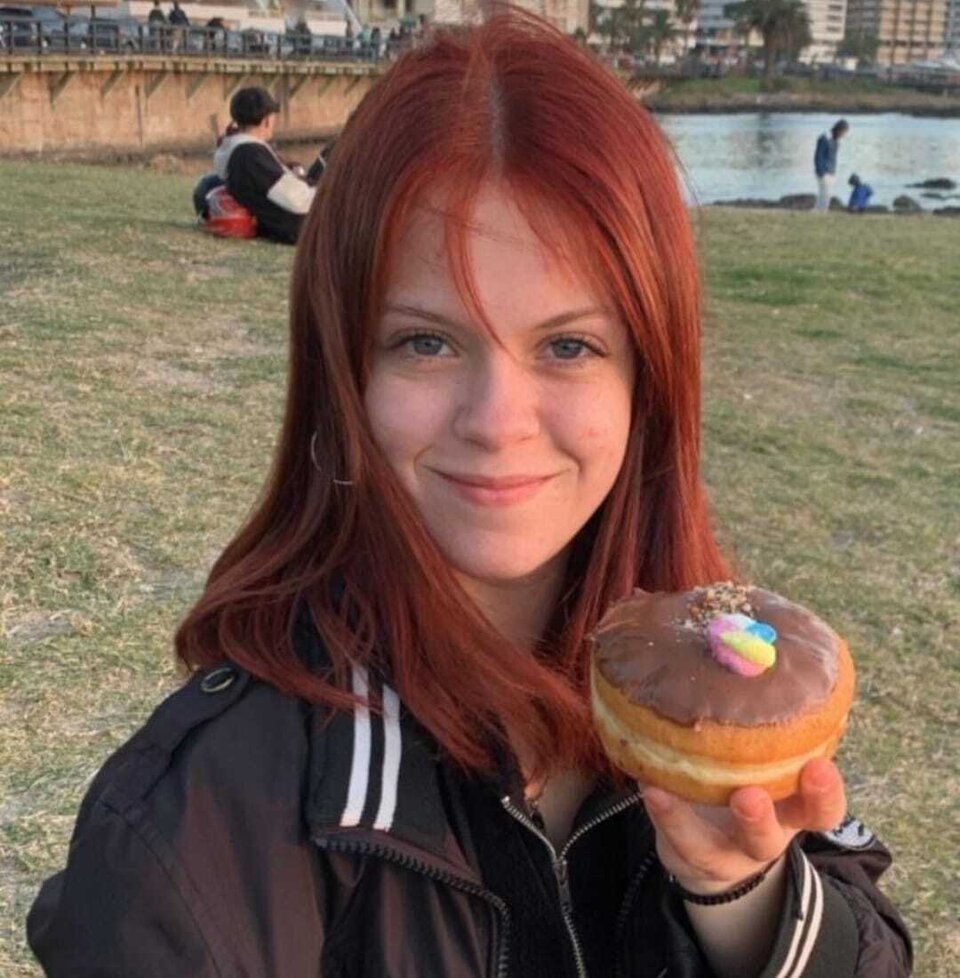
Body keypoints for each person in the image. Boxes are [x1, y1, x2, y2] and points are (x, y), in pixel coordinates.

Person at [26, 14, 911, 978]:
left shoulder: (714, 711)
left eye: (568, 345)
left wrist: (739, 894)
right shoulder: (187, 838)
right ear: (344, 375)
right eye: (427, 342)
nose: (497, 420)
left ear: (647, 385)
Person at [211, 86, 315, 244]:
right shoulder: (251, 153)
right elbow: (296, 200)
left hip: (277, 221)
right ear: (266, 120)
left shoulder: (235, 149)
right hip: (296, 226)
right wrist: (326, 192)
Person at [814, 119, 849, 212]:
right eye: (843, 132)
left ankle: (819, 211)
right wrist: (821, 171)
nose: (844, 135)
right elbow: (818, 156)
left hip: (831, 171)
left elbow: (833, 158)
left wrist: (833, 172)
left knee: (824, 194)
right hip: (823, 171)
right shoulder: (824, 138)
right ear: (839, 129)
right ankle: (822, 211)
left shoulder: (837, 141)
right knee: (825, 194)